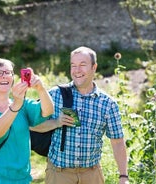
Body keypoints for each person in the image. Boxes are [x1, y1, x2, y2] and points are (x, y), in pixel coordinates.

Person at [31, 46, 128, 184]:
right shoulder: (55, 94)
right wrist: (56, 122)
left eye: (83, 65)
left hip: (92, 175)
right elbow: (32, 124)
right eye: (73, 65)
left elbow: (118, 142)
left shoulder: (107, 104)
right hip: (59, 174)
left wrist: (123, 177)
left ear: (94, 67)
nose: (77, 70)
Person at [0, 58, 54, 184]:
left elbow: (48, 111)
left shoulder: (23, 104)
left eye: (8, 72)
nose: (4, 76)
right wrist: (16, 104)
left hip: (21, 178)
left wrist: (40, 88)